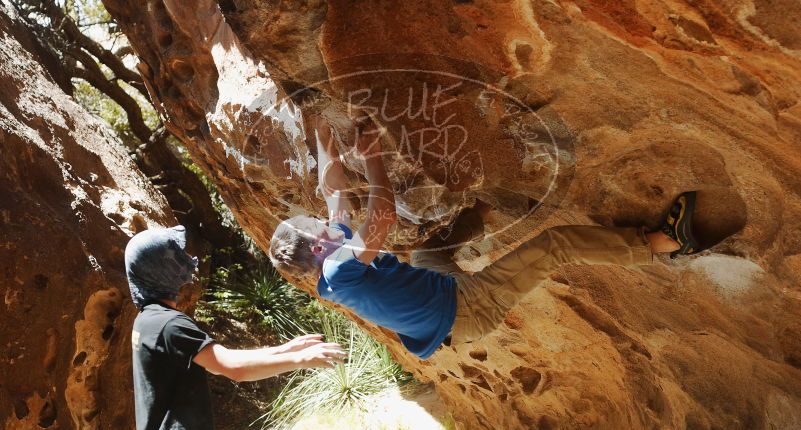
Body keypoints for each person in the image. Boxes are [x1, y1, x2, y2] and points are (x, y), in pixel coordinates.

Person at [269, 117, 689, 360]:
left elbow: (334, 194)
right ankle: (659, 244)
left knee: (428, 246)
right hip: (468, 309)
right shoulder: (341, 266)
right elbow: (382, 214)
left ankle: (491, 206)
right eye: (311, 222)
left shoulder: (332, 253)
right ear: (315, 245)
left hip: (442, 293)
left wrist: (322, 134)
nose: (316, 217)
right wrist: (373, 158)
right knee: (554, 244)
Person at [124, 225, 344, 430]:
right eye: (179, 254)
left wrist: (285, 348)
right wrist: (300, 359)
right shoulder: (169, 324)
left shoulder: (150, 320)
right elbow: (231, 367)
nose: (189, 259)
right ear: (163, 266)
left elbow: (225, 356)